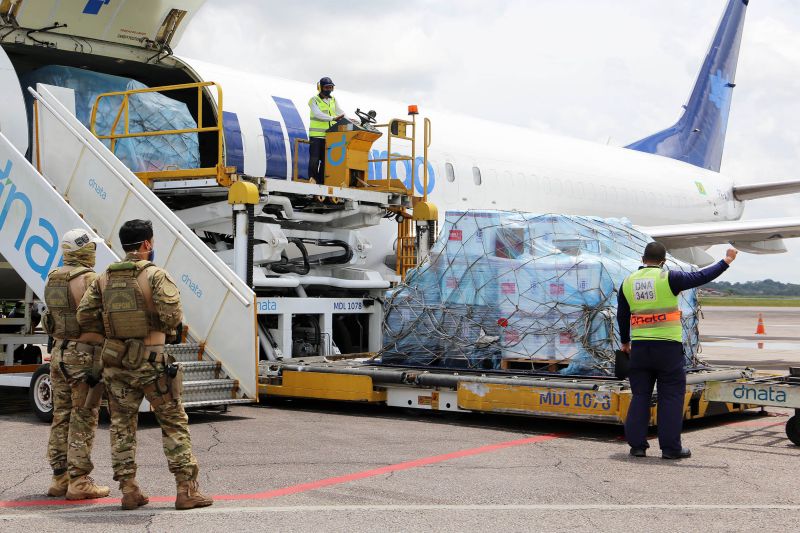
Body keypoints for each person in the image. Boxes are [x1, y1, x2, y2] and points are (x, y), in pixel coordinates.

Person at [77, 219, 213, 511]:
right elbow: (172, 316)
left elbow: (84, 316)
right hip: (152, 363)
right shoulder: (156, 275)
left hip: (116, 365)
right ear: (147, 244)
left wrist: (113, 332)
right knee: (173, 423)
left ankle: (129, 491)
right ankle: (186, 491)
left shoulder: (103, 279)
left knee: (121, 427)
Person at [618, 241, 737, 460]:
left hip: (640, 348)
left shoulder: (628, 281)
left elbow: (622, 315)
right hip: (667, 349)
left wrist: (625, 342)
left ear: (643, 259)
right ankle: (670, 449)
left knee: (640, 396)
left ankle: (637, 447)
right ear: (663, 261)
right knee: (671, 397)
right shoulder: (669, 278)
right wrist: (726, 261)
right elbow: (701, 276)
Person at [43, 229, 110, 500]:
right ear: (85, 250)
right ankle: (79, 481)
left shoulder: (53, 277)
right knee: (84, 416)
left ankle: (59, 478)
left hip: (59, 354)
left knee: (61, 415)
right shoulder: (90, 280)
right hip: (83, 358)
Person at [308, 76, 344, 182]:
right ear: (320, 88)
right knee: (314, 159)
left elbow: (339, 111)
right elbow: (317, 114)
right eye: (327, 87)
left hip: (329, 136)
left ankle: (321, 181)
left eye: (331, 87)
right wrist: (333, 118)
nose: (329, 90)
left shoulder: (333, 100)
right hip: (316, 136)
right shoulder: (314, 100)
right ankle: (312, 178)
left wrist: (349, 119)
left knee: (326, 161)